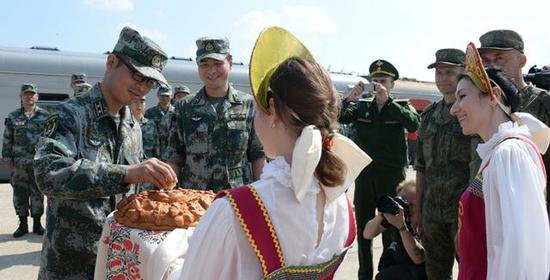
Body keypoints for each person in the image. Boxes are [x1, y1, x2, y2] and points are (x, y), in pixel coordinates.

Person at [172, 26, 371, 280]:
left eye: (257, 107)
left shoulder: (232, 214)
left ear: (273, 111)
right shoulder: (340, 201)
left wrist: (164, 263)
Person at [33, 26, 178, 279]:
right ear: (111, 62)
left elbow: (134, 192)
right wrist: (127, 173)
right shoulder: (70, 114)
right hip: (71, 266)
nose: (142, 88)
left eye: (150, 82)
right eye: (137, 76)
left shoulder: (133, 126)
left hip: (119, 261)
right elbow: (48, 173)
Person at [452, 42, 550, 279]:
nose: (453, 109)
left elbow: (520, 255)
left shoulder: (510, 154)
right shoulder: (498, 154)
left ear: (493, 96)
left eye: (462, 96)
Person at [339, 59, 421, 280]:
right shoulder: (363, 106)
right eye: (375, 80)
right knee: (364, 232)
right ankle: (364, 275)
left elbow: (414, 124)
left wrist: (388, 103)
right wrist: (350, 99)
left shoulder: (401, 107)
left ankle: (388, 273)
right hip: (366, 177)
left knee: (391, 229)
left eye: (383, 81)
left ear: (392, 84)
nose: (378, 85)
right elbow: (339, 116)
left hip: (391, 177)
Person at [165, 36, 265, 192]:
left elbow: (257, 154)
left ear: (230, 63)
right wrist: (168, 193)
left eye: (218, 64)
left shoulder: (249, 105)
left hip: (237, 197)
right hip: (195, 199)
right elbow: (175, 156)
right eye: (204, 65)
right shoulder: (184, 107)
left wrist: (262, 196)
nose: (211, 71)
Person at [414, 48, 473, 279]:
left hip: (461, 210)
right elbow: (420, 166)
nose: (443, 78)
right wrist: (418, 208)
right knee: (436, 273)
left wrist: (469, 215)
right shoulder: (428, 116)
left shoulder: (470, 112)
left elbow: (477, 167)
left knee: (470, 269)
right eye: (439, 73)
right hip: (432, 212)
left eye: (449, 72)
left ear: (464, 73)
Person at [478, 29, 550, 215]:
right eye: (486, 60)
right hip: (487, 210)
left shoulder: (544, 103)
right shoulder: (481, 106)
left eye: (499, 58)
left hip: (532, 213)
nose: (491, 65)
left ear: (522, 61)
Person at [1, 83, 50, 238]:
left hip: (38, 163)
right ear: (21, 97)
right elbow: (7, 138)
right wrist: (6, 157)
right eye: (26, 94)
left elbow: (50, 139)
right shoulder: (13, 116)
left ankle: (37, 224)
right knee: (19, 193)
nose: (29, 97)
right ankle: (22, 224)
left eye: (32, 94)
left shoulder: (45, 117)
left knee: (38, 193)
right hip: (19, 164)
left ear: (37, 97)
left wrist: (49, 159)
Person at [363, 180, 427, 280]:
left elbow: (418, 259)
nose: (405, 207)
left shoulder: (426, 222)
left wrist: (402, 227)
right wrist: (380, 216)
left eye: (411, 204)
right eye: (401, 202)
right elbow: (367, 234)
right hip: (403, 266)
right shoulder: (398, 217)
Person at [159, 85, 191, 162]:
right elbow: (162, 141)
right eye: (179, 96)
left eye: (185, 96)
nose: (182, 99)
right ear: (174, 99)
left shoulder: (194, 117)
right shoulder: (167, 118)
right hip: (171, 158)